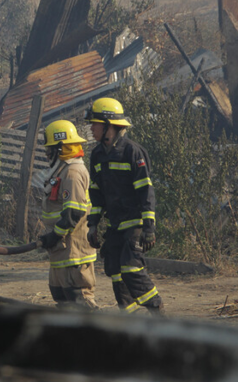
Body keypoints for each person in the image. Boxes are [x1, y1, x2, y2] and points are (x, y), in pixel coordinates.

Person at [85, 97, 163, 315]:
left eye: (95, 123)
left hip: (135, 223)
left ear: (109, 125)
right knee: (114, 269)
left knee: (131, 268)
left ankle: (156, 309)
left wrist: (149, 227)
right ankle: (129, 317)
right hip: (116, 224)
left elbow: (145, 190)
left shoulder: (132, 152)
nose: (91, 128)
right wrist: (93, 225)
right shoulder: (97, 155)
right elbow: (97, 194)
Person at [37, 120, 98, 309]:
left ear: (61, 149)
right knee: (62, 298)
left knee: (80, 300)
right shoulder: (63, 171)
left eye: (50, 150)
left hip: (73, 251)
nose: (47, 155)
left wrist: (54, 236)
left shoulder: (73, 172)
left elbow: (73, 213)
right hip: (62, 250)